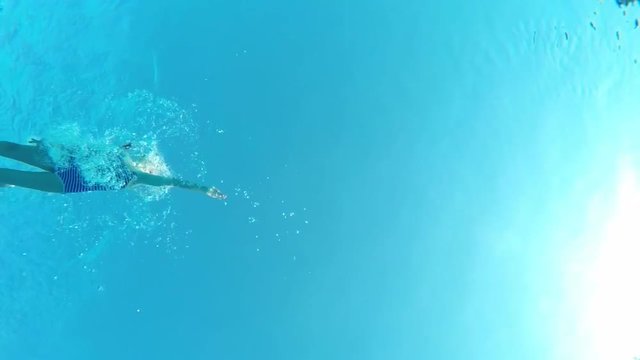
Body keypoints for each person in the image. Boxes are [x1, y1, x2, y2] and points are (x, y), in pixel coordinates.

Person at [0, 139, 227, 200]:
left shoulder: (138, 178)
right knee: (11, 148)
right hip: (66, 161)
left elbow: (173, 182)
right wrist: (56, 146)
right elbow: (86, 150)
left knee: (7, 175)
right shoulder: (121, 152)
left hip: (68, 183)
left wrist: (204, 188)